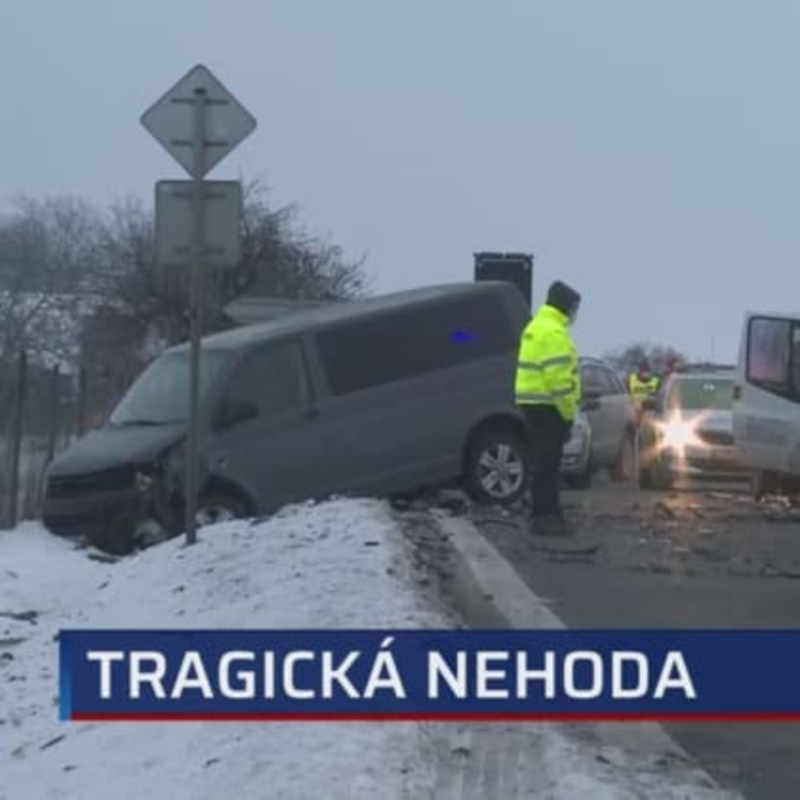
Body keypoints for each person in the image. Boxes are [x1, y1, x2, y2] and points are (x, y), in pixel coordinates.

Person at [515, 280, 582, 536]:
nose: (576, 314)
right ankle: (545, 517)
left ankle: (545, 513)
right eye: (575, 308)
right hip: (548, 405)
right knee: (548, 465)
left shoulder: (537, 326)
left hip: (533, 402)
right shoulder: (554, 333)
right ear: (565, 306)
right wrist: (567, 413)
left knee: (543, 462)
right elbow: (558, 380)